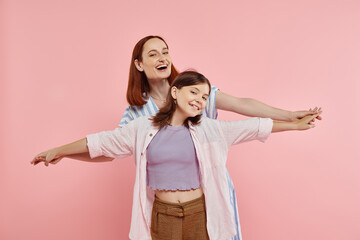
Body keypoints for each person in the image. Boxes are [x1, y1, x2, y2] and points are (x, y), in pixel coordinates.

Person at [37, 36, 322, 240]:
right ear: (139, 64)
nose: (162, 58)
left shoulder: (193, 90)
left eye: (165, 51)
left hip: (206, 198)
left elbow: (246, 112)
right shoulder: (138, 118)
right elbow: (106, 147)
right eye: (153, 54)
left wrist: (290, 117)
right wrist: (63, 152)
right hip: (163, 210)